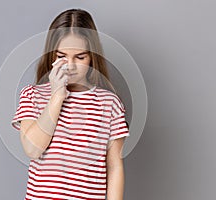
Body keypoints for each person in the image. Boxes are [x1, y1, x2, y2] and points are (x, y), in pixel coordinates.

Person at [11, 8, 130, 200]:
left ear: (92, 57)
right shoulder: (33, 96)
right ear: (51, 56)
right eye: (61, 56)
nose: (70, 65)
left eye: (80, 57)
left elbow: (114, 166)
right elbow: (33, 149)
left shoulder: (110, 104)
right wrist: (57, 95)